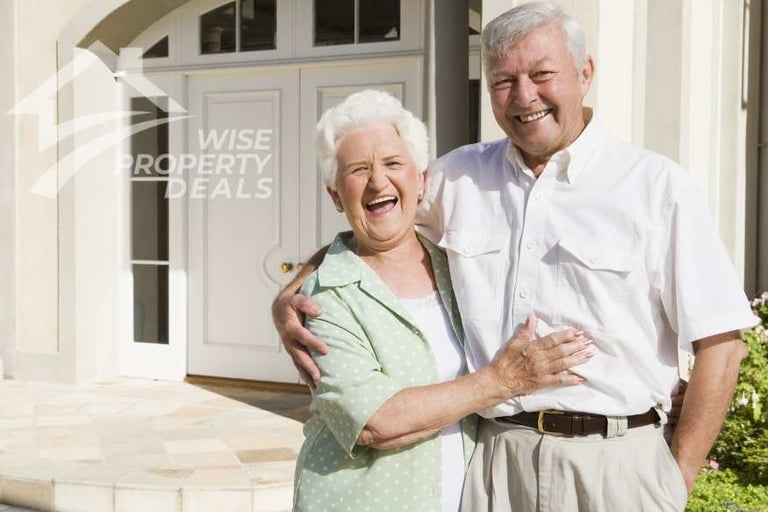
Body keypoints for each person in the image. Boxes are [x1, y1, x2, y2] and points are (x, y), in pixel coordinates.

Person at [275, 3, 759, 511]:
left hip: (616, 464)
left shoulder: (656, 186)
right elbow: (376, 215)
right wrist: (295, 290)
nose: (524, 96)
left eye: (542, 74)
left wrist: (675, 476)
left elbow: (721, 345)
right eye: (503, 80)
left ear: (585, 72)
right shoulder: (457, 178)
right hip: (494, 462)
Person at [290, 89, 593, 512]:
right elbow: (377, 423)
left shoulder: (456, 266)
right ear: (336, 195)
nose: (379, 182)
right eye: (358, 170)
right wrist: (502, 380)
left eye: (393, 163)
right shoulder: (323, 298)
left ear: (421, 179)